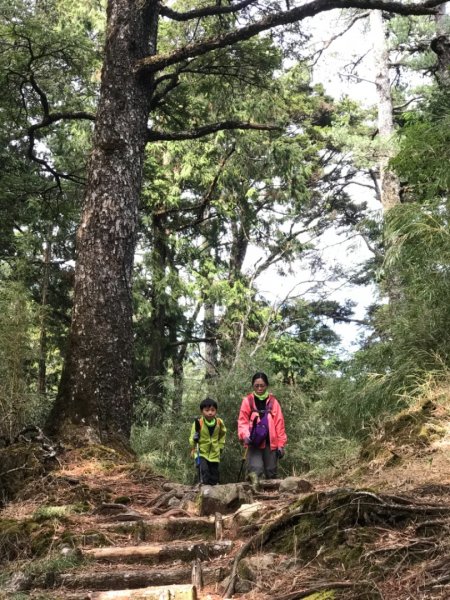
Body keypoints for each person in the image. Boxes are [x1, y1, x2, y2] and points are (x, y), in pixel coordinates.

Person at [238, 372, 287, 486]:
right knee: (256, 470)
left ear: (267, 385)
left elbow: (279, 423)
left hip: (271, 442)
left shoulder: (274, 402)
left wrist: (281, 444)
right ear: (253, 386)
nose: (259, 388)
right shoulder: (247, 401)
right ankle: (255, 498)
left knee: (271, 471)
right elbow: (242, 421)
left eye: (262, 385)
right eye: (256, 386)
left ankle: (272, 498)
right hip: (253, 442)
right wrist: (244, 435)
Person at [189, 397, 226, 485]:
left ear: (216, 411)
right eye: (207, 410)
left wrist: (220, 447)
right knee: (204, 471)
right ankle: (203, 491)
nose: (210, 412)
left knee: (214, 475)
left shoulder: (219, 422)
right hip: (201, 452)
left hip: (214, 453)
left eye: (213, 410)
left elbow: (222, 435)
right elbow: (191, 439)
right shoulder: (198, 423)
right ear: (202, 411)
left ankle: (213, 493)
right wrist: (194, 439)